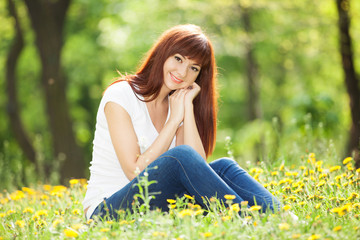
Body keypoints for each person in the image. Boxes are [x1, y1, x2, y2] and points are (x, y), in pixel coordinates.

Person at [82, 24, 280, 220]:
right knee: (180, 156)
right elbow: (135, 172)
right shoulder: (121, 95)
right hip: (107, 211)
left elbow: (198, 167)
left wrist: (187, 108)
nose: (183, 73)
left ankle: (283, 218)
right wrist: (175, 120)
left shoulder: (176, 103)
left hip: (154, 207)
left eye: (193, 68)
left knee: (223, 167)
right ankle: (246, 221)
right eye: (178, 59)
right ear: (163, 53)